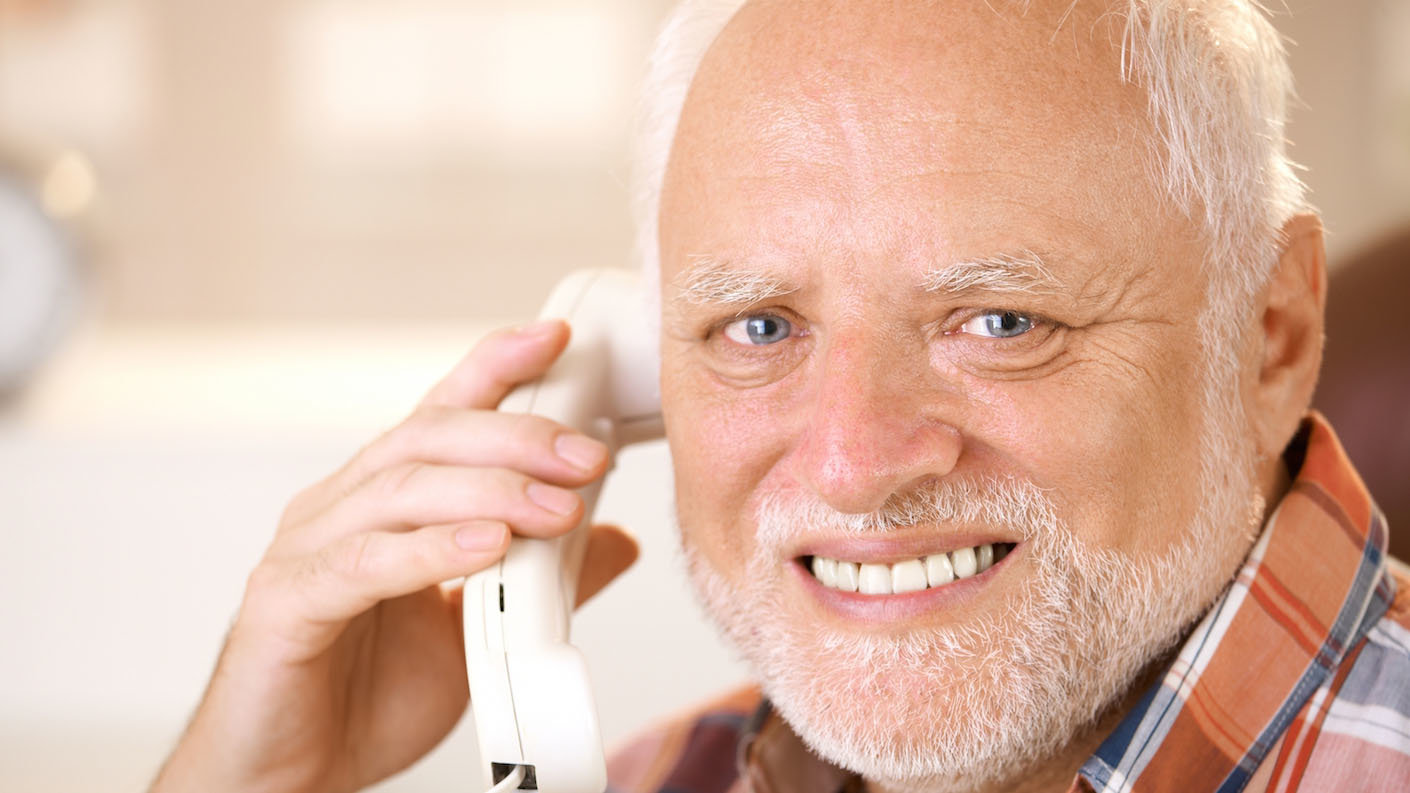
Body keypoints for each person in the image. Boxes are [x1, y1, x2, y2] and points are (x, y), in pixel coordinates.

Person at [149, 1, 1410, 792]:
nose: (854, 462)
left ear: (1269, 336)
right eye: (758, 327)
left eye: (1000, 321)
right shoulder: (661, 777)